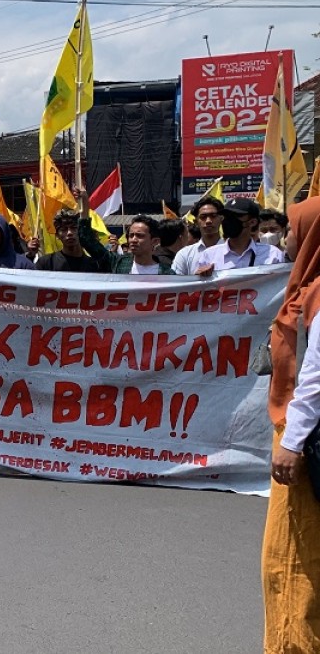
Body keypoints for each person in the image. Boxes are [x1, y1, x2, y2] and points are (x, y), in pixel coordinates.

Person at [264, 195, 320, 652]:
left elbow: (316, 375)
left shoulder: (319, 292)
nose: (286, 236)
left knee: (290, 557)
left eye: (294, 227)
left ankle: (292, 644)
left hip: (306, 438)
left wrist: (293, 443)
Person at [192, 198, 285, 275]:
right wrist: (199, 278)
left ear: (252, 222)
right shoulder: (209, 256)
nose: (229, 221)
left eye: (236, 216)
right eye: (227, 216)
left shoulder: (273, 255)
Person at [81, 214, 174, 275]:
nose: (133, 240)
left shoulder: (167, 274)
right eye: (131, 235)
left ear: (155, 241)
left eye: (139, 236)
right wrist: (84, 209)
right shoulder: (118, 263)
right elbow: (88, 241)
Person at [34, 210, 107, 272]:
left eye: (74, 228)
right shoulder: (46, 264)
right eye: (64, 229)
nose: (69, 233)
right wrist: (30, 255)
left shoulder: (95, 266)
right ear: (57, 235)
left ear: (81, 232)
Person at [172, 196, 223, 275]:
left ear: (221, 219)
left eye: (213, 216)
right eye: (203, 217)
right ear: (196, 222)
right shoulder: (184, 254)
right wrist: (195, 279)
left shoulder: (234, 251)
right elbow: (175, 283)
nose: (208, 221)